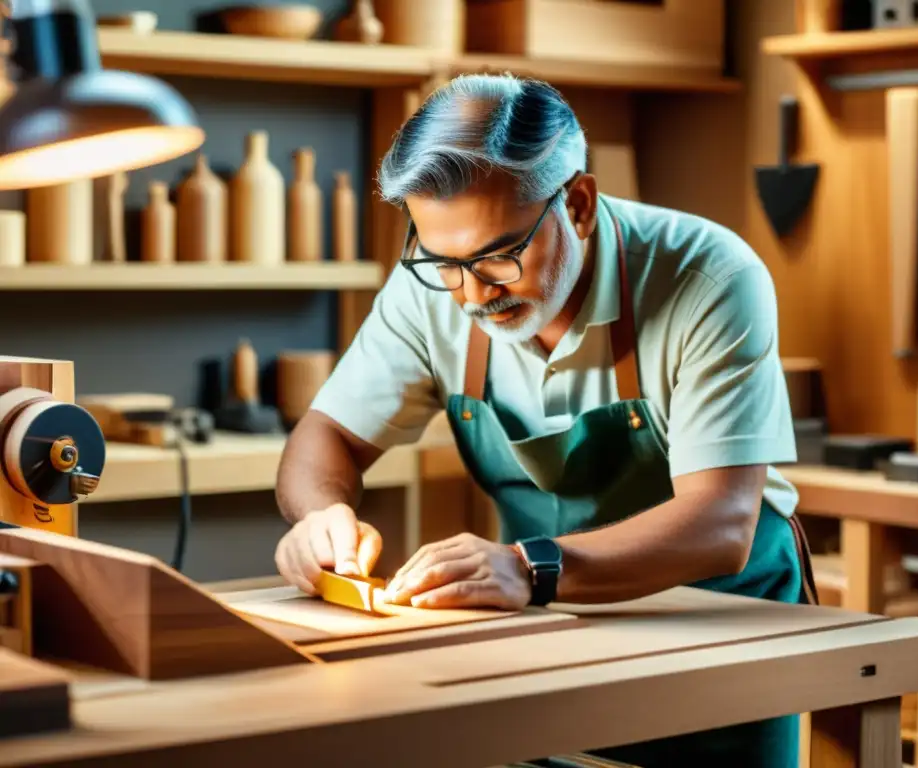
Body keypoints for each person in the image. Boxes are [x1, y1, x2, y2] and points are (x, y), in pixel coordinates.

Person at [273, 73, 818, 767]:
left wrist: (529, 568)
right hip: (544, 637)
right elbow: (325, 439)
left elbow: (721, 522)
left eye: (501, 255)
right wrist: (320, 517)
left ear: (580, 204)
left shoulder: (708, 276)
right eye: (444, 262)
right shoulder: (432, 288)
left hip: (723, 636)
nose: (471, 293)